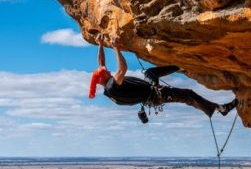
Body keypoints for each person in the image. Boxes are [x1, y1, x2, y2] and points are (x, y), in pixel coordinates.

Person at [89, 37, 236, 121]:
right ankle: (220, 108)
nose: (107, 69)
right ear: (104, 77)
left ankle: (180, 66)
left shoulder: (106, 86)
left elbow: (100, 64)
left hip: (148, 93)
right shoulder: (113, 86)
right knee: (188, 95)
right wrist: (116, 47)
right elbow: (122, 69)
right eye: (105, 71)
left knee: (150, 73)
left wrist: (101, 45)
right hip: (155, 96)